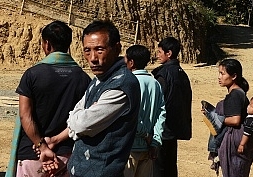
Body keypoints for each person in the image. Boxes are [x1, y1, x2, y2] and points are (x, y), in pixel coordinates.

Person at [9, 20, 91, 177]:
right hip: (67, 155)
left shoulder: (32, 75)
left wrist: (42, 146)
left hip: (32, 153)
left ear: (46, 44)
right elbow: (83, 120)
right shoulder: (83, 78)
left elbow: (25, 115)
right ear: (69, 45)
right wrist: (55, 141)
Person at [65, 20, 141, 177]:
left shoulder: (122, 84)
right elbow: (80, 117)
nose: (93, 58)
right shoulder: (99, 80)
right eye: (87, 50)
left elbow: (81, 124)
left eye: (99, 49)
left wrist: (77, 121)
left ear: (117, 48)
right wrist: (79, 119)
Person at [151, 37, 192, 177]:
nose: (157, 55)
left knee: (158, 167)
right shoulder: (182, 74)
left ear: (168, 54)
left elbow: (157, 103)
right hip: (175, 129)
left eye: (160, 52)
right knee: (170, 166)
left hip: (162, 129)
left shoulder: (163, 75)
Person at [123, 45, 166, 177]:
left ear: (131, 62)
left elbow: (130, 115)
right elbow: (161, 114)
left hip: (129, 147)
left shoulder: (128, 82)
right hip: (148, 149)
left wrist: (146, 135)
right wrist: (155, 142)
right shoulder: (154, 83)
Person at [215, 59, 253, 177]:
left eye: (223, 73)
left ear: (234, 76)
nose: (219, 77)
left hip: (234, 141)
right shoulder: (238, 93)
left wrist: (215, 118)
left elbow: (235, 120)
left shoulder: (235, 95)